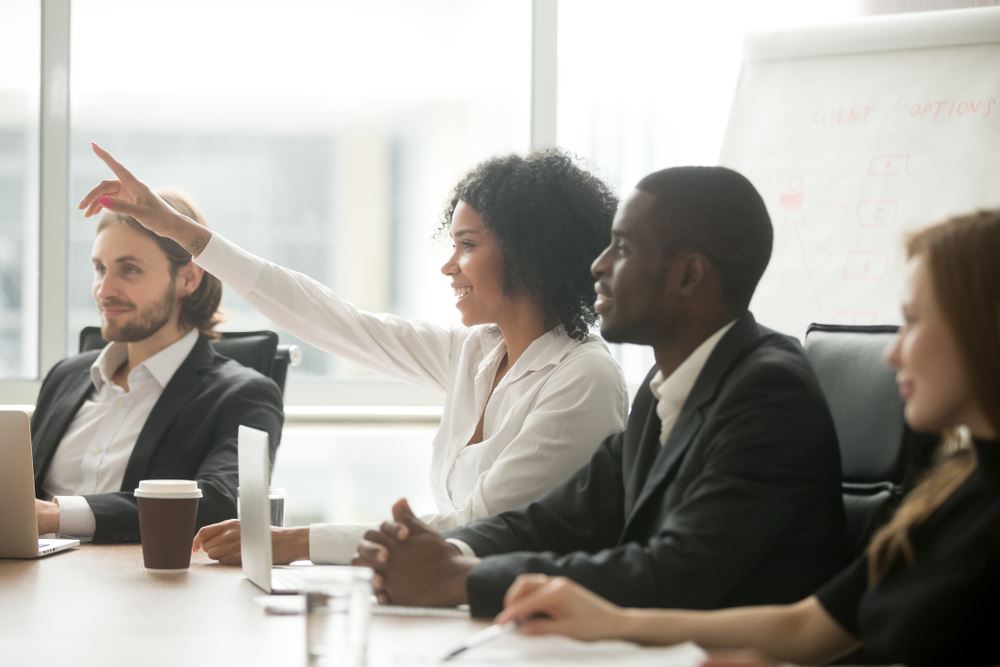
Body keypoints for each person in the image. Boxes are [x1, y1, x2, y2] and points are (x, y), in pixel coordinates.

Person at [493, 209, 1000, 667]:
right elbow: (807, 627)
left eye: (913, 322)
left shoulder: (766, 390)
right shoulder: (950, 490)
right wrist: (611, 621)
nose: (893, 353)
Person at [79, 143, 628, 564]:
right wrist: (178, 230)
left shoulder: (583, 378)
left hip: (529, 622)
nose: (449, 265)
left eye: (468, 245)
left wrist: (297, 542)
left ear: (532, 255)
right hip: (459, 602)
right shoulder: (477, 353)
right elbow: (333, 322)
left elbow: (479, 528)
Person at [352, 165, 847, 618]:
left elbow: (672, 572)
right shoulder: (664, 392)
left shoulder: (767, 394)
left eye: (624, 249)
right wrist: (447, 551)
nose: (598, 265)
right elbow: (558, 520)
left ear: (689, 276)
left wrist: (465, 578)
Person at [32, 191, 284, 544]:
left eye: (129, 270)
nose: (104, 290)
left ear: (188, 279)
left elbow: (220, 502)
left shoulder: (242, 395)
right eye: (100, 269)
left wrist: (58, 515)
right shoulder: (66, 376)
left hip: (141, 585)